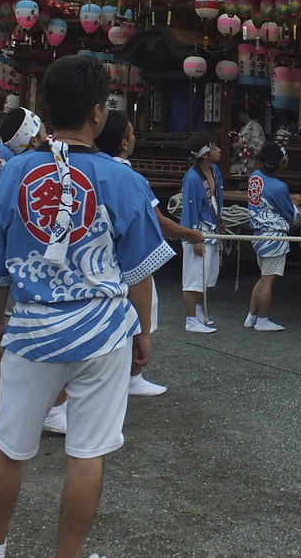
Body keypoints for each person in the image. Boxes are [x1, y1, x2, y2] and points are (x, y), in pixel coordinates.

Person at [0, 55, 173, 558]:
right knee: (86, 453)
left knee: (9, 445)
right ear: (99, 113)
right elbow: (139, 273)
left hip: (32, 329)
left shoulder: (12, 173)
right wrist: (143, 331)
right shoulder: (124, 180)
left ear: (44, 108)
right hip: (103, 332)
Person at [95, 110, 205, 396]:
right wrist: (190, 233)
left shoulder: (81, 170)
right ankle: (130, 376)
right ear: (123, 142)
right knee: (140, 315)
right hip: (124, 265)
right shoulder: (129, 177)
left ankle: (128, 377)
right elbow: (157, 220)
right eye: (131, 133)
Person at [245, 142, 301, 332]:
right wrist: (296, 204)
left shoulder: (254, 177)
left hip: (258, 234)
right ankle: (262, 320)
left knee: (263, 278)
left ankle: (251, 316)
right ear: (280, 162)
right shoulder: (279, 187)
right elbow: (291, 216)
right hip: (274, 236)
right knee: (268, 281)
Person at [181, 131, 224, 334]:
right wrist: (194, 239)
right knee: (193, 277)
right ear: (205, 154)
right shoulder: (192, 178)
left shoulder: (214, 170)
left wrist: (220, 221)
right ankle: (190, 320)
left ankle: (198, 313)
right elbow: (190, 210)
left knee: (205, 276)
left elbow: (215, 200)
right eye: (214, 147)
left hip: (211, 228)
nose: (219, 150)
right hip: (197, 232)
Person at [230, 108, 265, 177]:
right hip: (241, 159)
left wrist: (240, 145)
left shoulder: (255, 126)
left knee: (228, 170)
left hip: (251, 163)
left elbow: (258, 147)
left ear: (245, 114)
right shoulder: (244, 127)